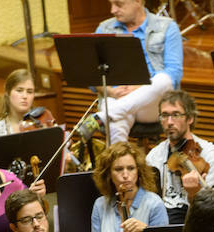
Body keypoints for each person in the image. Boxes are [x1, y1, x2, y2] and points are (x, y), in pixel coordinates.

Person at [76, 0, 182, 145]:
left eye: (119, 4)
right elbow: (93, 74)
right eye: (111, 4)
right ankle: (120, 164)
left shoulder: (167, 26)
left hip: (153, 104)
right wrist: (111, 91)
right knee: (115, 119)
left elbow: (174, 74)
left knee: (164, 79)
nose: (113, 10)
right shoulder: (104, 28)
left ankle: (102, 116)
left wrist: (138, 88)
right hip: (117, 97)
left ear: (138, 1)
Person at [146, 89, 214, 224]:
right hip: (163, 223)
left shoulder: (209, 154)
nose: (169, 122)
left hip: (197, 223)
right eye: (164, 115)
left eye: (176, 115)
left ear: (190, 118)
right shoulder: (154, 156)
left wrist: (193, 193)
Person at [91, 141, 167, 232]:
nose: (126, 175)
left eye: (131, 168)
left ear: (138, 171)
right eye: (118, 169)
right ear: (109, 174)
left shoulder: (154, 203)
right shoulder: (100, 205)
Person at [0, 68, 37, 138]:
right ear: (7, 93)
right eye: (19, 90)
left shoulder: (43, 124)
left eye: (29, 92)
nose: (25, 96)